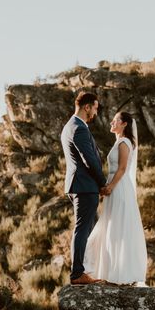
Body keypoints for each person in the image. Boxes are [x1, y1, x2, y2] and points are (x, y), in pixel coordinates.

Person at [83, 111, 148, 285]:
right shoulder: (119, 142)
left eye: (115, 120)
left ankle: (120, 272)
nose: (112, 122)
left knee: (116, 225)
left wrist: (110, 186)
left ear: (124, 124)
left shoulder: (124, 142)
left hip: (118, 188)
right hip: (114, 187)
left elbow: (122, 168)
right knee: (111, 225)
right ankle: (110, 269)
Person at [61, 91, 107, 285]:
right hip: (84, 186)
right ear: (87, 106)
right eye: (95, 108)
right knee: (82, 229)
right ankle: (78, 273)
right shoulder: (78, 128)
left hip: (79, 184)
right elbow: (89, 160)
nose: (95, 112)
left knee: (88, 229)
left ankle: (85, 269)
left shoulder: (70, 126)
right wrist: (102, 183)